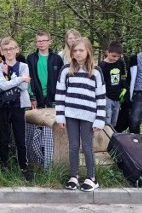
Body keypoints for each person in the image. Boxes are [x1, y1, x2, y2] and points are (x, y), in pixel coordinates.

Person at [55, 37, 106, 192]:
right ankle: (74, 176)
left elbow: (101, 96)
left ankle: (91, 178)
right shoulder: (66, 70)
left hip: (89, 115)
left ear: (88, 51)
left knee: (87, 146)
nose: (78, 53)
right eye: (75, 50)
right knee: (73, 146)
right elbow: (60, 93)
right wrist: (60, 115)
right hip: (71, 114)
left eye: (81, 50)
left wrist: (100, 118)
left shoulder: (96, 71)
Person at [0, 37, 34, 181]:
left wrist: (10, 78)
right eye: (5, 50)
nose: (9, 52)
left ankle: (24, 167)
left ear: (17, 50)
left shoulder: (23, 66)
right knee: (3, 138)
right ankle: (3, 165)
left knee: (20, 138)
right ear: (1, 52)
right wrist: (17, 78)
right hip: (3, 107)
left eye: (11, 49)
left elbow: (24, 87)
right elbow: (2, 86)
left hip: (19, 106)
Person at [26, 30, 63, 169]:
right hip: (37, 99)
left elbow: (61, 80)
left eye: (44, 40)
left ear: (49, 41)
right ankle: (37, 162)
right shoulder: (31, 58)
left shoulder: (56, 59)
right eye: (38, 41)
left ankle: (52, 163)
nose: (41, 43)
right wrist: (32, 97)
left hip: (53, 100)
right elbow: (29, 79)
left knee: (51, 131)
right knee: (37, 131)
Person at [98, 41, 126, 126]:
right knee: (107, 118)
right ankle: (106, 137)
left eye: (118, 56)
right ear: (107, 52)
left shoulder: (120, 62)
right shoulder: (102, 66)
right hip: (106, 96)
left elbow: (122, 77)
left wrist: (124, 89)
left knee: (115, 119)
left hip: (117, 96)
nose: (115, 59)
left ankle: (112, 136)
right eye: (113, 56)